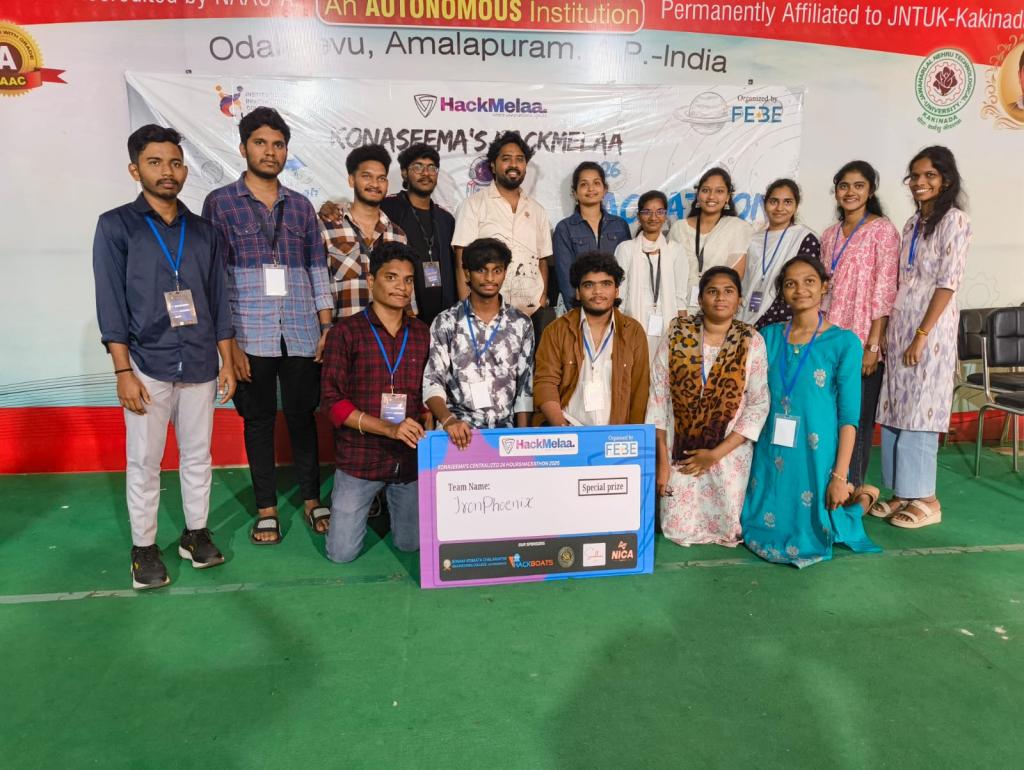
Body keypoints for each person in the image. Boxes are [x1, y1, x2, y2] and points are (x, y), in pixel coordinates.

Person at [94, 124, 236, 589]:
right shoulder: (116, 226)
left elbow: (218, 298)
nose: (167, 171)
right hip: (145, 362)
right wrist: (122, 370)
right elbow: (111, 302)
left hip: (199, 361)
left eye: (175, 163)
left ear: (185, 170)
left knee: (198, 455)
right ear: (135, 169)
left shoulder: (204, 231)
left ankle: (196, 534)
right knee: (144, 460)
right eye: (154, 163)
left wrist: (227, 360)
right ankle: (144, 549)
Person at [202, 106, 334, 545]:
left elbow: (317, 268)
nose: (270, 152)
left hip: (300, 331)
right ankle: (267, 509)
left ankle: (312, 499)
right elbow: (216, 277)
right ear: (243, 148)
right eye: (260, 143)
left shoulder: (301, 206)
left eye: (278, 144)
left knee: (302, 417)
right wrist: (229, 345)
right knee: (257, 421)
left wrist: (326, 326)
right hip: (249, 332)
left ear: (286, 151)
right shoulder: (220, 203)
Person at [741, 256, 881, 567]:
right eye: (791, 283)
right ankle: (861, 495)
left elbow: (849, 418)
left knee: (820, 526)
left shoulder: (844, 342)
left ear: (824, 287)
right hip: (771, 445)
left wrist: (839, 476)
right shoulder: (768, 336)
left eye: (809, 282)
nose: (800, 289)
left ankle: (860, 498)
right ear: (782, 291)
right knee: (753, 523)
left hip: (815, 450)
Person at [874, 146, 971, 529]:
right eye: (915, 176)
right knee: (895, 408)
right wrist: (891, 331)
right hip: (902, 328)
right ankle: (901, 492)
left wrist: (921, 334)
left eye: (929, 175)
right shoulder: (913, 224)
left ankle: (927, 499)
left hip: (930, 332)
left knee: (920, 411)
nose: (920, 182)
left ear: (945, 180)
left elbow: (947, 284)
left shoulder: (955, 221)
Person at [319, 242, 431, 562]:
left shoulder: (422, 333)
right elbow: (331, 402)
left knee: (410, 544)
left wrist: (427, 420)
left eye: (408, 280)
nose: (401, 287)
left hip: (407, 460)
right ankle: (362, 500)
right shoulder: (345, 332)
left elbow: (428, 393)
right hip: (360, 458)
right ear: (371, 281)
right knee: (341, 553)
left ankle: (387, 504)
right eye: (391, 277)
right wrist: (387, 428)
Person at [648, 267, 769, 547]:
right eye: (712, 291)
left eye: (729, 291)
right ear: (700, 299)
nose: (720, 298)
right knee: (675, 528)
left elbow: (758, 404)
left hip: (728, 453)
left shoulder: (751, 340)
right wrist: (662, 464)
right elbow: (658, 397)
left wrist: (714, 455)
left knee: (727, 528)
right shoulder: (678, 333)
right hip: (679, 451)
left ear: (739, 299)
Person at [818, 161, 900, 509]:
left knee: (857, 418)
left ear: (870, 190)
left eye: (858, 185)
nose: (850, 192)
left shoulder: (883, 230)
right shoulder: (828, 234)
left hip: (863, 339)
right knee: (829, 414)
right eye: (844, 186)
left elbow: (885, 289)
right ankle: (830, 485)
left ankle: (854, 491)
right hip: (829, 338)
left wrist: (873, 345)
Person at [423, 238, 535, 447]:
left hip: (505, 438)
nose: (489, 278)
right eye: (481, 270)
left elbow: (524, 390)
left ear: (505, 272)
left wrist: (523, 441)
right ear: (467, 273)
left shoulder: (521, 323)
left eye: (497, 270)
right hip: (456, 435)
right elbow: (432, 382)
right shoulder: (446, 321)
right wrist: (448, 421)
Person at [533, 251, 649, 427]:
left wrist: (631, 437)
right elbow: (545, 383)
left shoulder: (633, 332)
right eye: (589, 285)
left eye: (606, 284)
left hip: (615, 435)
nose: (598, 292)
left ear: (616, 291)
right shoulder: (556, 331)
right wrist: (564, 432)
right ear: (578, 292)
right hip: (568, 430)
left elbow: (640, 393)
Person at [451, 131, 553, 322]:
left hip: (531, 313)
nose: (513, 165)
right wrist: (467, 306)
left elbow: (543, 259)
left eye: (519, 159)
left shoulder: (537, 210)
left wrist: (541, 298)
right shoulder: (473, 205)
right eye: (506, 159)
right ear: (493, 165)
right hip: (485, 313)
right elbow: (460, 258)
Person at [320, 144, 408, 318]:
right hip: (344, 330)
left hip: (389, 332)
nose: (375, 184)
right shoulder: (328, 226)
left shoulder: (398, 236)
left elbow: (406, 292)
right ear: (351, 180)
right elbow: (318, 285)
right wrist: (326, 327)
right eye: (367, 176)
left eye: (381, 178)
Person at [373, 143, 457, 326]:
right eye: (418, 167)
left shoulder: (446, 219)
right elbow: (358, 211)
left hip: (444, 319)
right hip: (404, 314)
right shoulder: (387, 208)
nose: (426, 173)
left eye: (431, 168)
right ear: (404, 173)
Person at [614, 190, 689, 363]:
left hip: (667, 321)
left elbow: (680, 296)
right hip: (633, 320)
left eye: (659, 212)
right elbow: (619, 292)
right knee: (635, 367)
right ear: (638, 216)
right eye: (647, 212)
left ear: (665, 215)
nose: (653, 217)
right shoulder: (626, 249)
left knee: (664, 367)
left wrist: (682, 331)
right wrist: (619, 325)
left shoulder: (675, 250)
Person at [739, 178, 821, 329]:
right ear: (765, 204)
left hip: (782, 318)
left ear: (796, 206)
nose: (779, 208)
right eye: (774, 201)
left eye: (787, 202)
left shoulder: (804, 238)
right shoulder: (753, 238)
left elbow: (805, 284)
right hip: (745, 315)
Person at [669, 166, 753, 312]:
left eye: (719, 191)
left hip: (718, 308)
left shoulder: (737, 228)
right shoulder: (679, 228)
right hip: (677, 308)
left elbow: (734, 278)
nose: (711, 197)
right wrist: (680, 310)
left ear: (727, 197)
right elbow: (668, 272)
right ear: (698, 195)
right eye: (706, 190)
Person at [551, 162, 631, 310]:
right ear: (575, 192)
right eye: (584, 184)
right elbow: (565, 277)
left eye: (596, 183)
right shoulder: (564, 228)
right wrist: (579, 313)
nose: (591, 189)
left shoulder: (620, 226)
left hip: (615, 308)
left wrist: (617, 307)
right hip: (578, 309)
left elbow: (626, 271)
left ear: (605, 189)